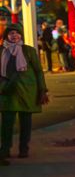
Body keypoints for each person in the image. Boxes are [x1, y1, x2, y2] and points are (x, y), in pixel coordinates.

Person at [0, 24, 49, 164]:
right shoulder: (1, 51)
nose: (14, 36)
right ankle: (5, 149)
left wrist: (42, 89)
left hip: (27, 91)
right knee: (6, 123)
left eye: (17, 33)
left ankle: (23, 148)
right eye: (11, 33)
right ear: (6, 36)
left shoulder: (29, 51)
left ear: (21, 35)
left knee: (25, 123)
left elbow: (38, 71)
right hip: (7, 91)